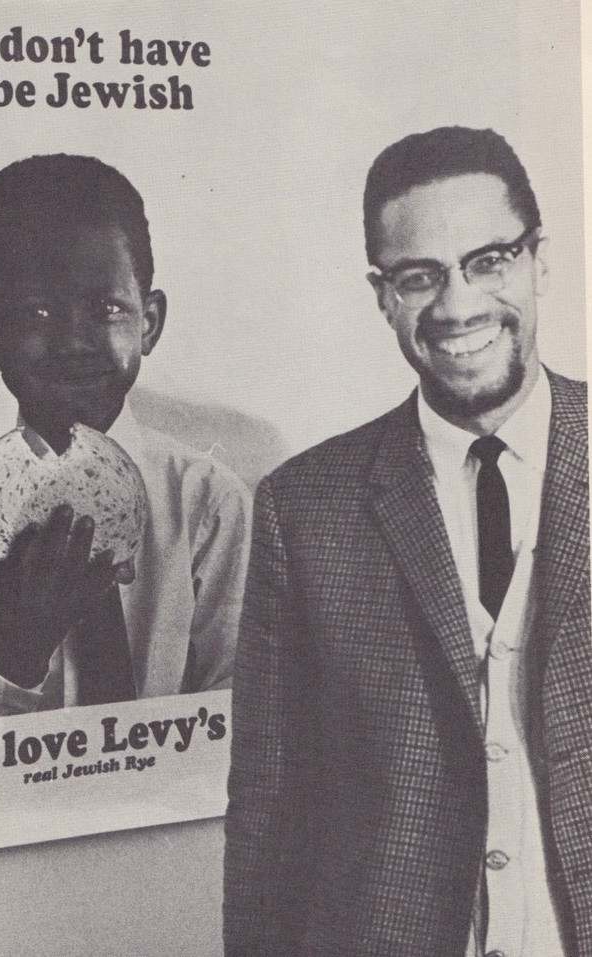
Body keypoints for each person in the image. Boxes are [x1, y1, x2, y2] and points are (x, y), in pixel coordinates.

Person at [224, 127, 590, 957]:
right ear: (382, 294)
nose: (458, 306)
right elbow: (267, 822)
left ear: (538, 260)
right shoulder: (302, 508)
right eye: (420, 276)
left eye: (488, 260)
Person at [0, 154, 252, 725]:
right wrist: (15, 660)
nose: (74, 342)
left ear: (149, 322)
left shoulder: (210, 504)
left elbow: (246, 708)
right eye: (36, 312)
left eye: (107, 309)